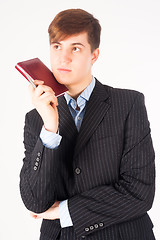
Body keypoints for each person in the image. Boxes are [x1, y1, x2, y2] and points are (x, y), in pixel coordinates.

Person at [20, 8, 156, 240]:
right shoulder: (36, 119)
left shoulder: (129, 104)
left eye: (76, 48)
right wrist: (50, 128)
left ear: (94, 55)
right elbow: (35, 201)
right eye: (57, 47)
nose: (64, 58)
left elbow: (139, 192)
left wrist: (65, 211)